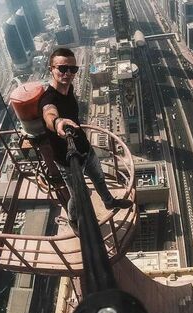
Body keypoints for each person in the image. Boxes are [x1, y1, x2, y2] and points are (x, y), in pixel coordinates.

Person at [38, 48, 132, 228]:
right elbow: (49, 112)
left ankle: (109, 201)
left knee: (99, 179)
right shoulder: (47, 98)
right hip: (67, 160)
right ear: (51, 69)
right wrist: (57, 122)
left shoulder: (69, 88)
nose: (68, 73)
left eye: (73, 69)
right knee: (77, 196)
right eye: (62, 68)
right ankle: (74, 220)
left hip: (85, 149)